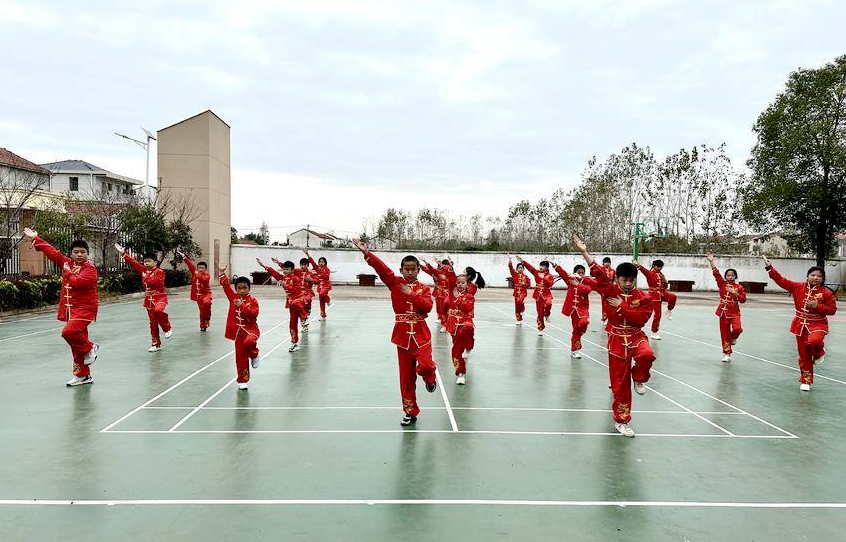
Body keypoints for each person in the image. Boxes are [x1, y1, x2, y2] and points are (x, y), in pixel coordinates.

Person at [574, 234, 655, 438]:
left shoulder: (644, 297)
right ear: (617, 278)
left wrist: (622, 306)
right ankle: (621, 421)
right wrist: (584, 252)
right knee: (619, 385)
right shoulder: (609, 290)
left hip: (637, 336)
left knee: (646, 355)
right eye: (624, 279)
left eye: (631, 280)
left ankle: (639, 377)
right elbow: (599, 273)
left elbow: (641, 319)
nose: (628, 283)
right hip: (617, 340)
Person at [352, 238, 438, 426]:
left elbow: (428, 307)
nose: (409, 271)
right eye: (406, 269)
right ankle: (410, 411)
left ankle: (430, 380)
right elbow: (382, 269)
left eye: (413, 268)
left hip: (421, 337)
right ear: (401, 270)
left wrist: (411, 294)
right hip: (402, 338)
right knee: (406, 378)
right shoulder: (394, 283)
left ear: (418, 270)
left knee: (425, 366)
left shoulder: (423, 289)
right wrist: (367, 254)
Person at [23, 227, 99, 386]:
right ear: (71, 253)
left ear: (87, 254)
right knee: (75, 344)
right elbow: (52, 253)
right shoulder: (67, 263)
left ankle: (91, 347)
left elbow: (79, 282)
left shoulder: (90, 269)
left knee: (68, 332)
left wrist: (67, 272)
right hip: (71, 310)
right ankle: (83, 375)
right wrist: (36, 238)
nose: (79, 254)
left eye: (82, 252)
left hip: (85, 310)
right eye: (76, 252)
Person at [763, 255, 837, 391]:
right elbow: (781, 281)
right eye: (813, 275)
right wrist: (769, 268)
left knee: (814, 342)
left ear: (822, 279)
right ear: (807, 276)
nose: (816, 277)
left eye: (819, 276)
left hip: (818, 324)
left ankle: (820, 352)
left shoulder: (826, 293)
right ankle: (806, 380)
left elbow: (832, 310)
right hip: (800, 324)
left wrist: (817, 306)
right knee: (804, 353)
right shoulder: (798, 287)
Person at [115, 244, 172, 352]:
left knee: (159, 310)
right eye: (145, 261)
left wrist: (146, 278)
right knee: (153, 323)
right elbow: (133, 262)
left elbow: (157, 282)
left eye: (149, 261)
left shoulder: (160, 272)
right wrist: (123, 253)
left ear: (155, 262)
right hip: (149, 300)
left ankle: (167, 328)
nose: (146, 263)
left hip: (160, 297)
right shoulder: (143, 270)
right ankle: (155, 343)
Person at [219, 265, 260, 390]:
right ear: (236, 289)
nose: (242, 290)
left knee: (249, 342)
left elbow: (254, 313)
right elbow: (226, 287)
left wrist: (242, 305)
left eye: (244, 288)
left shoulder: (253, 301)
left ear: (249, 288)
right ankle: (242, 380)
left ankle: (254, 355)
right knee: (240, 358)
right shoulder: (233, 298)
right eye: (239, 288)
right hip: (238, 333)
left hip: (251, 330)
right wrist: (222, 272)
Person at [258, 258, 307, 352]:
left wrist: (285, 285)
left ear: (292, 270)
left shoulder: (296, 279)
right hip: (291, 303)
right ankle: (294, 343)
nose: (284, 271)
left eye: (287, 269)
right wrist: (264, 266)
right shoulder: (283, 278)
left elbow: (295, 291)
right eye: (283, 269)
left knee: (296, 303)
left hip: (299, 300)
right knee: (292, 324)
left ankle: (304, 317)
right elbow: (274, 273)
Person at [705, 252, 746, 362]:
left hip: (735, 312)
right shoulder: (722, 284)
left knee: (737, 329)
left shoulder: (739, 287)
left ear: (735, 277)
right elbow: (716, 273)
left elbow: (743, 300)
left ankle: (734, 338)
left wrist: (735, 293)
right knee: (724, 334)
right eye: (728, 275)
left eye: (732, 275)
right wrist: (711, 261)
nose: (730, 277)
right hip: (723, 313)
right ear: (725, 277)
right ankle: (727, 353)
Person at [552, 262, 597, 359]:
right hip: (573, 310)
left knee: (584, 322)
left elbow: (588, 290)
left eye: (582, 273)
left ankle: (581, 332)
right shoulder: (570, 281)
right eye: (579, 272)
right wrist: (556, 266)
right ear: (574, 273)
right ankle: (575, 350)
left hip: (583, 309)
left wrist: (578, 283)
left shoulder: (586, 282)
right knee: (575, 331)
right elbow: (563, 273)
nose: (581, 274)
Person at [635, 259, 677, 339]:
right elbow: (644, 270)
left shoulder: (661, 274)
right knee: (658, 314)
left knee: (673, 297)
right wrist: (639, 266)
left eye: (661, 267)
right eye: (658, 266)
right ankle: (654, 332)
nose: (659, 268)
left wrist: (664, 279)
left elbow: (665, 287)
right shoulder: (650, 274)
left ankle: (669, 310)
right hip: (654, 296)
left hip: (662, 292)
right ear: (654, 266)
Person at [446, 274, 476, 385]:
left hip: (465, 323)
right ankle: (460, 373)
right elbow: (449, 278)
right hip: (454, 325)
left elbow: (467, 308)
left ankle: (469, 347)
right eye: (458, 282)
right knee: (457, 349)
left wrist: (458, 298)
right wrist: (448, 268)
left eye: (462, 282)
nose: (459, 284)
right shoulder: (451, 293)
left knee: (467, 339)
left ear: (467, 284)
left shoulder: (469, 296)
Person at [516, 256, 555, 335]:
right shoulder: (536, 272)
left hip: (547, 294)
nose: (541, 267)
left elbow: (550, 284)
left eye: (543, 266)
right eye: (540, 265)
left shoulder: (550, 276)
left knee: (548, 304)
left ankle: (547, 314)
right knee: (540, 313)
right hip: (538, 296)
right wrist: (523, 261)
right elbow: (530, 268)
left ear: (547, 267)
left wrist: (544, 278)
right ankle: (540, 328)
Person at [179, 251, 212, 332]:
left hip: (206, 294)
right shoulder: (195, 273)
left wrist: (196, 272)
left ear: (206, 269)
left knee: (207, 303)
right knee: (201, 311)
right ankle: (202, 325)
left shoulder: (207, 276)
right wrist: (184, 257)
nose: (200, 269)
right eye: (199, 268)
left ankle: (207, 318)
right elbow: (190, 265)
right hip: (199, 296)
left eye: (202, 268)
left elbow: (202, 279)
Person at [421, 258, 454, 333]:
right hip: (439, 294)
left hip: (447, 295)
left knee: (445, 310)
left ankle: (446, 324)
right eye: (442, 266)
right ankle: (441, 320)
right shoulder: (438, 273)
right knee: (439, 308)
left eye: (446, 266)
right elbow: (429, 269)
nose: (443, 267)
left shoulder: (451, 274)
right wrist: (422, 264)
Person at [304, 249, 332, 320]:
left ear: (325, 263)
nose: (321, 263)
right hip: (320, 287)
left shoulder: (327, 269)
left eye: (323, 262)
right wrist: (307, 253)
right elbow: (312, 262)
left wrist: (315, 278)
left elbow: (324, 277)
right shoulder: (317, 269)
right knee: (321, 302)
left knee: (322, 294)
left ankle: (328, 299)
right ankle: (323, 316)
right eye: (320, 262)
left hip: (326, 286)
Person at [507, 257, 530, 325]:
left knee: (520, 301)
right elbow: (511, 269)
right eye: (519, 268)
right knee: (517, 307)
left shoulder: (526, 277)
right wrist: (510, 261)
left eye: (521, 268)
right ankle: (519, 319)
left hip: (523, 292)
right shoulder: (515, 275)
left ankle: (523, 309)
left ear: (523, 269)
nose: (520, 269)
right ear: (517, 269)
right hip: (516, 292)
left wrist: (524, 284)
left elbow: (528, 285)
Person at [600, 257, 615, 322]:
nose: (607, 263)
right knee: (604, 304)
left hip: (611, 289)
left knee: (611, 303)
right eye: (606, 262)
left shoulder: (613, 271)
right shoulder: (600, 270)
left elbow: (615, 280)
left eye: (609, 262)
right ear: (603, 263)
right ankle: (604, 318)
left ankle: (611, 318)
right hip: (603, 289)